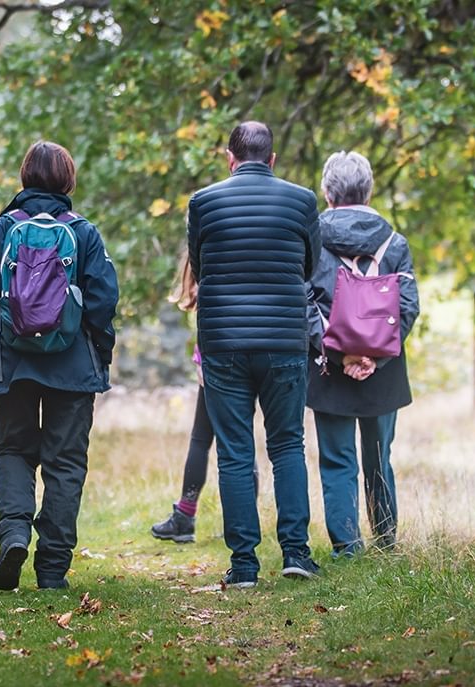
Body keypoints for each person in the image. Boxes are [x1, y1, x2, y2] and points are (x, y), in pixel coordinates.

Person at [0, 140, 119, 592]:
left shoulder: (3, 229)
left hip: (12, 364)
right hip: (73, 368)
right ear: (68, 179)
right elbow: (103, 303)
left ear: (24, 177)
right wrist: (100, 357)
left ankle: (14, 533)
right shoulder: (84, 232)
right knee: (66, 462)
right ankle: (52, 568)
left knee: (13, 450)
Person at [185, 121, 322, 588]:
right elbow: (309, 265)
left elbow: (200, 267)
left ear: (230, 157)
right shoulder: (302, 200)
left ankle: (244, 565)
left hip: (224, 343)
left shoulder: (203, 203)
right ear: (272, 158)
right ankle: (296, 554)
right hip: (285, 340)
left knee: (235, 452)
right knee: (287, 445)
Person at [308, 152, 419, 555]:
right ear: (369, 190)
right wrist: (376, 357)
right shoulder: (395, 243)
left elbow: (304, 303)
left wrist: (342, 357)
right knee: (378, 457)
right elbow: (408, 307)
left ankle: (347, 549)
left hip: (328, 366)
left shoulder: (311, 239)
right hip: (383, 370)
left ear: (327, 191)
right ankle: (386, 542)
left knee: (336, 460)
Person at [148, 251, 214, 544]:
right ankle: (190, 515)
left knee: (205, 439)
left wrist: (202, 359)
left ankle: (186, 517)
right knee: (234, 438)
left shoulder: (205, 250)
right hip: (230, 356)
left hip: (217, 361)